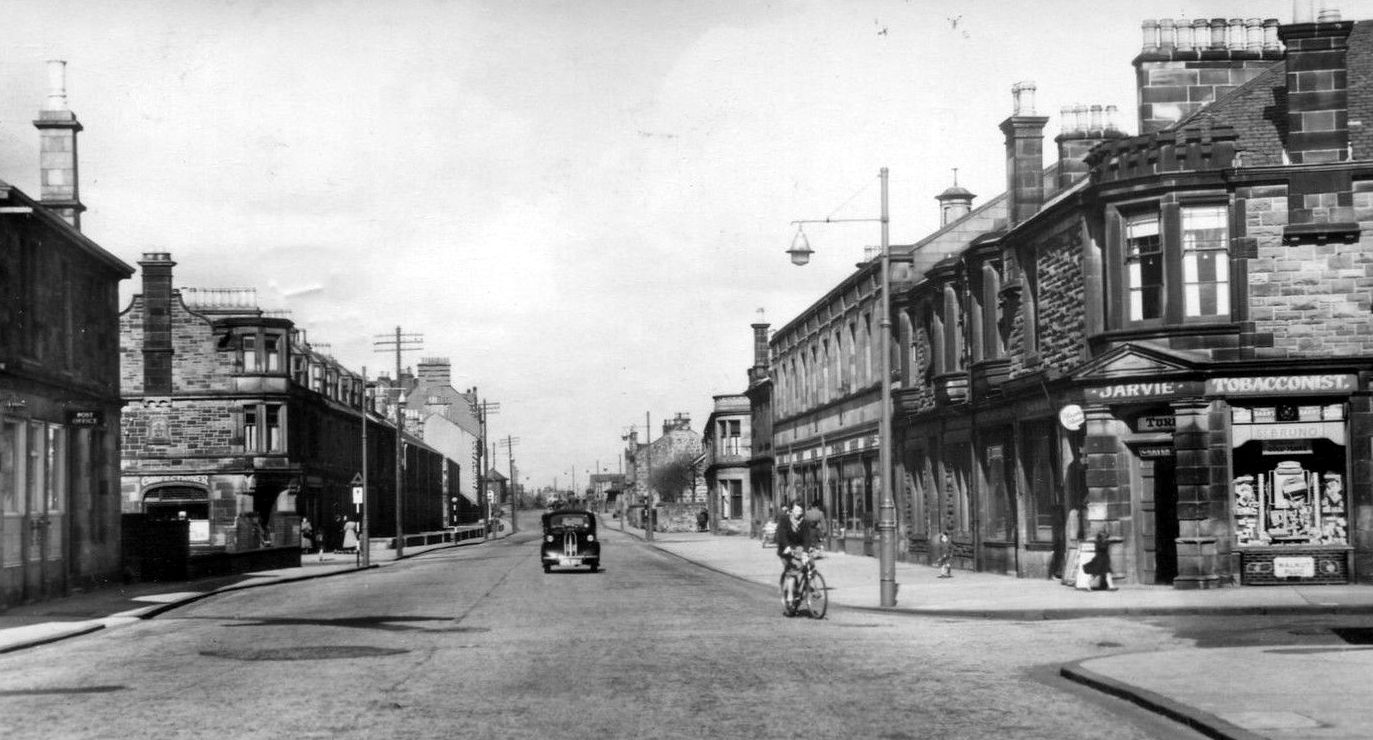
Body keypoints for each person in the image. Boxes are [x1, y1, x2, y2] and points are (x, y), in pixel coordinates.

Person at [775, 500, 819, 603]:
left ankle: (811, 587)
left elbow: (807, 538)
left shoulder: (805, 522)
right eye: (796, 510)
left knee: (810, 563)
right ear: (792, 510)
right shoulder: (785, 520)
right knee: (793, 569)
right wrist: (786, 546)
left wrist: (806, 551)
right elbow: (782, 534)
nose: (798, 513)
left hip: (798, 547)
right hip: (785, 549)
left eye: (800, 510)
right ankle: (789, 595)